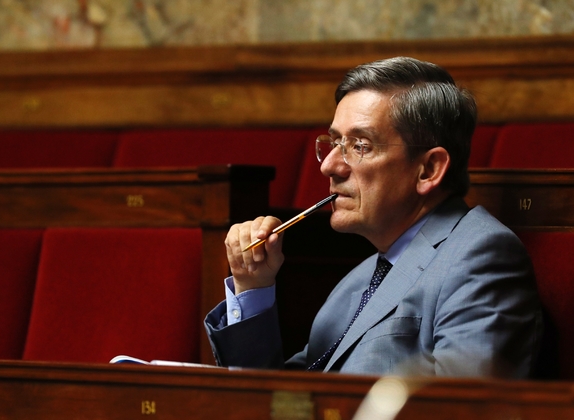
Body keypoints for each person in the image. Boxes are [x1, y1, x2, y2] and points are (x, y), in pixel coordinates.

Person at [204, 56, 543, 377]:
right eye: (335, 142)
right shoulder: (360, 278)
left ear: (428, 169)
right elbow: (280, 399)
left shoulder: (482, 256)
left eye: (360, 145)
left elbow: (464, 409)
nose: (329, 166)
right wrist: (253, 286)